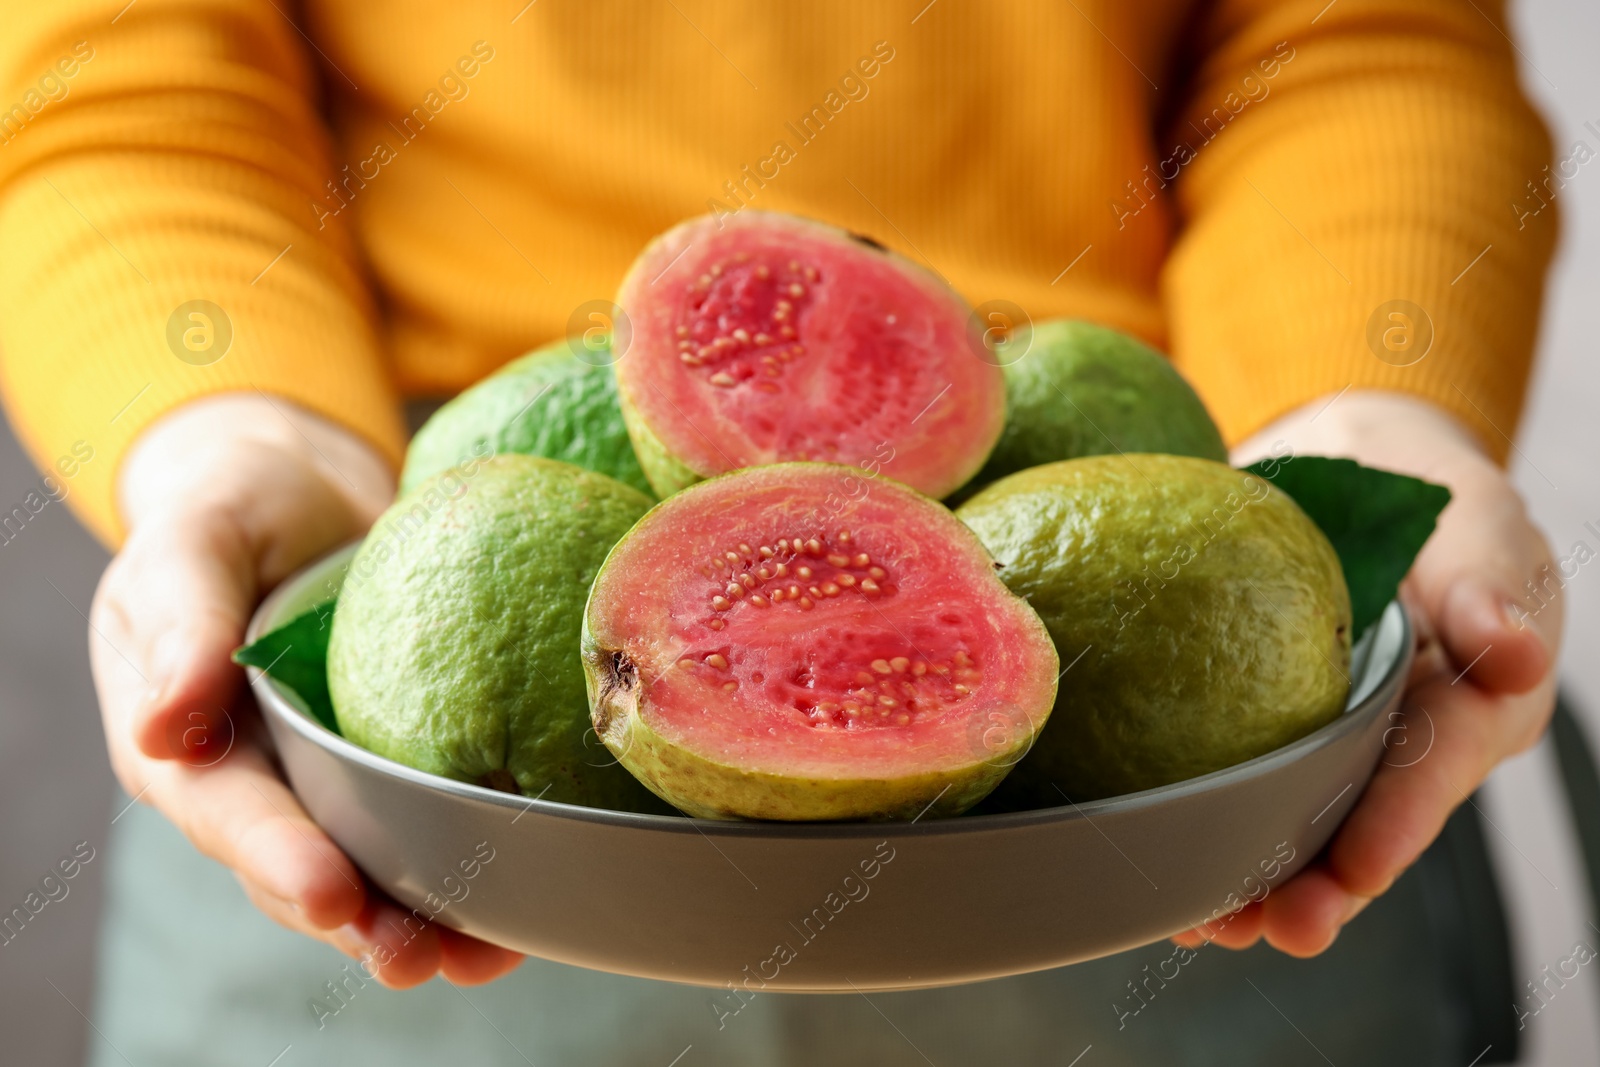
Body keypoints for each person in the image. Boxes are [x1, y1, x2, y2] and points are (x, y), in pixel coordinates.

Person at [0, 1, 1565, 1063]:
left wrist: (1370, 409)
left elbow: (1360, 38)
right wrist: (237, 435)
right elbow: (121, 80)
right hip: (413, 728)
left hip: (1175, 815)